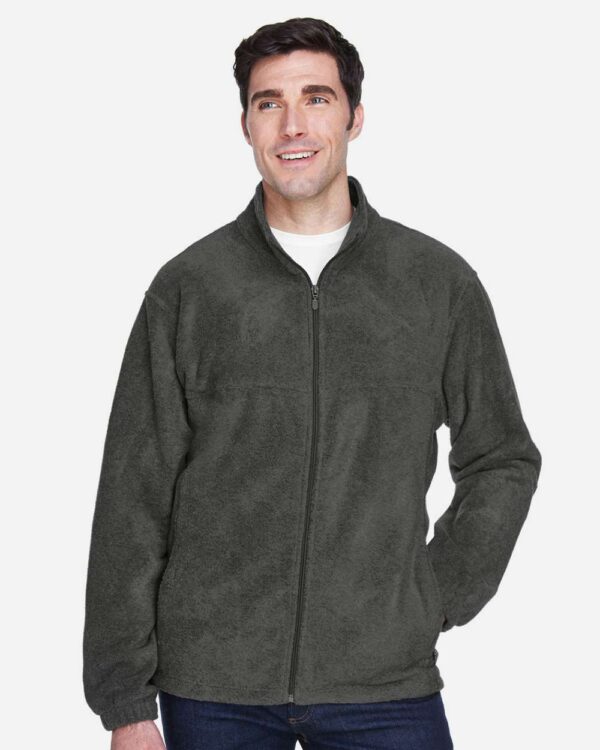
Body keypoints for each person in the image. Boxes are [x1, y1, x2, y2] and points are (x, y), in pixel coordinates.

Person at [82, 17, 542, 750]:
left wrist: (431, 596)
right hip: (213, 687)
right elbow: (132, 498)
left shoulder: (435, 284)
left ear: (354, 117)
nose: (292, 125)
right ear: (246, 124)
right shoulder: (190, 289)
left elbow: (502, 458)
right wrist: (125, 704)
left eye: (316, 98)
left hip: (383, 683)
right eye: (269, 103)